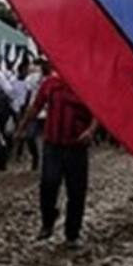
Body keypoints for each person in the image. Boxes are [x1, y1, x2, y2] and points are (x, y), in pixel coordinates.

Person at [15, 67, 97, 246]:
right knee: (48, 184)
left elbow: (98, 110)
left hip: (76, 146)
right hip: (53, 144)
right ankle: (48, 221)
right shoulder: (50, 84)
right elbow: (35, 106)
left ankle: (72, 233)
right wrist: (22, 127)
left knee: (76, 191)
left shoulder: (87, 83)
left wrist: (91, 130)